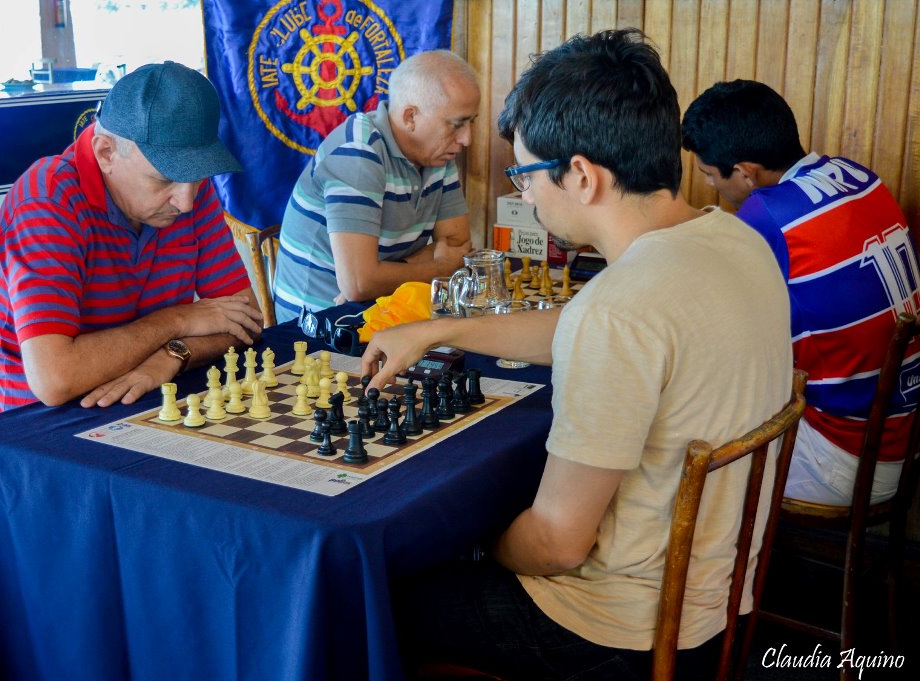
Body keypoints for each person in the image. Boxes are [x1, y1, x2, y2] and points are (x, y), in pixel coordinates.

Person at [361, 30, 792, 680]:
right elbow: (581, 325)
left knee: (372, 598)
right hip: (725, 598)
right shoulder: (734, 240)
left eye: (527, 174)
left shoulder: (617, 312)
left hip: (611, 629)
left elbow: (558, 546)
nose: (526, 195)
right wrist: (438, 330)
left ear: (583, 176)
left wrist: (479, 541)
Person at [682, 79, 920, 505]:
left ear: (746, 173)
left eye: (709, 176)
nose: (715, 190)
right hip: (904, 434)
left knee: (675, 445)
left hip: (847, 458)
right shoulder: (856, 175)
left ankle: (710, 570)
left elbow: (715, 331)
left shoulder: (767, 212)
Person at [0, 61, 262, 413]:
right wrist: (179, 320)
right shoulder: (47, 202)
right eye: (164, 179)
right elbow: (56, 380)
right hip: (39, 422)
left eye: (197, 176)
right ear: (106, 153)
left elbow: (246, 319)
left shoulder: (189, 190)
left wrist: (172, 355)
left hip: (152, 396)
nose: (186, 202)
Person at [272, 49, 478, 323]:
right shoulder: (357, 150)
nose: (467, 139)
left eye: (471, 122)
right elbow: (359, 284)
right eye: (456, 125)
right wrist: (438, 266)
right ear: (409, 117)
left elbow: (457, 245)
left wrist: (382, 277)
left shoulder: (438, 153)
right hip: (317, 326)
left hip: (380, 308)